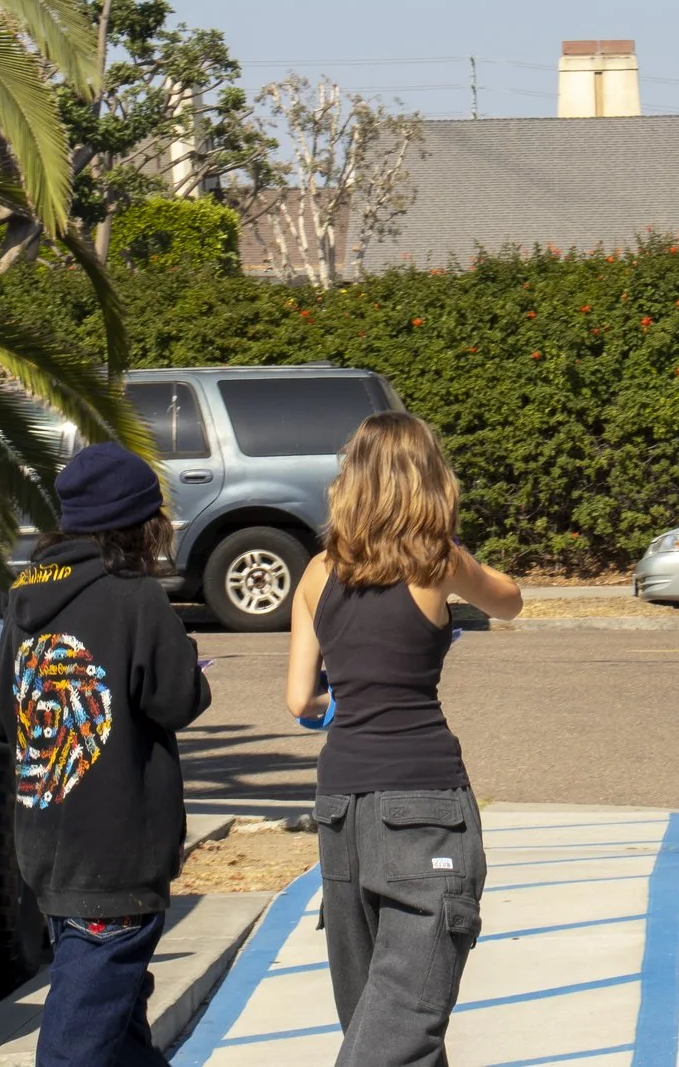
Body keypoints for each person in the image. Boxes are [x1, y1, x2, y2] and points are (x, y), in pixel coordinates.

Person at [287, 412, 524, 1067]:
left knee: (377, 1016)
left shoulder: (317, 572)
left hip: (341, 808)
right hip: (423, 802)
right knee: (399, 1027)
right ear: (429, 480)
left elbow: (300, 699)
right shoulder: (438, 561)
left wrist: (346, 697)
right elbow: (510, 601)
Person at [0, 443, 214, 1067]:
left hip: (49, 846)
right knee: (78, 1045)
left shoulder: (26, 597)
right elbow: (178, 700)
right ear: (142, 525)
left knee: (118, 1029)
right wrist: (187, 658)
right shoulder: (135, 598)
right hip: (117, 855)